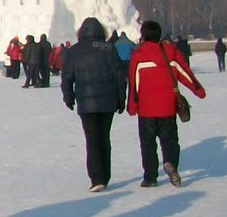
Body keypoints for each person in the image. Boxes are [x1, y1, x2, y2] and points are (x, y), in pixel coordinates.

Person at [127, 20, 206, 187]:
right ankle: (171, 163)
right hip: (167, 107)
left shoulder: (138, 55)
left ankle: (150, 177)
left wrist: (132, 106)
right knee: (169, 140)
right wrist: (198, 90)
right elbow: (185, 73)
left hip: (146, 109)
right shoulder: (170, 52)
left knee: (148, 144)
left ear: (143, 35)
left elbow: (135, 83)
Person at [60, 17, 128, 191]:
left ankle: (96, 178)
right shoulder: (109, 49)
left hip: (86, 102)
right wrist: (121, 98)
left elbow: (67, 76)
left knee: (92, 139)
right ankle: (105, 176)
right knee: (104, 138)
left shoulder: (74, 51)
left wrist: (68, 96)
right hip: (108, 102)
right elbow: (120, 76)